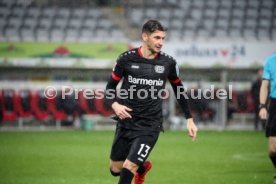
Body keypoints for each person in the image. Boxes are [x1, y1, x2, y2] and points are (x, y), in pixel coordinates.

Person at [105, 20, 198, 184]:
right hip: (126, 121)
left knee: (128, 167)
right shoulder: (126, 59)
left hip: (150, 124)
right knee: (115, 169)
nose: (161, 42)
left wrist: (189, 119)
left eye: (163, 38)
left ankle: (136, 166)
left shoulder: (168, 63)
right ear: (145, 36)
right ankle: (143, 166)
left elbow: (179, 90)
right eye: (157, 38)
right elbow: (110, 87)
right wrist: (115, 104)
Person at [259, 54, 276, 182]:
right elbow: (265, 85)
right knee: (272, 150)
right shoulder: (270, 61)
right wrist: (263, 106)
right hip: (274, 104)